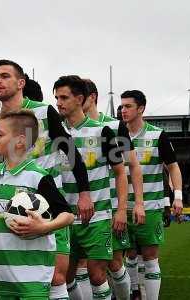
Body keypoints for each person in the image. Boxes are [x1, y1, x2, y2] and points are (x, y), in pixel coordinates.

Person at [0, 59, 91, 300]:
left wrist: (84, 192)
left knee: (57, 277)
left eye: (4, 76)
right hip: (11, 212)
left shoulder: (44, 111)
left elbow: (71, 152)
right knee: (17, 282)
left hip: (49, 208)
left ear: (21, 83)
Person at [0, 110, 75, 299]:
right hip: (4, 273)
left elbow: (67, 215)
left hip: (33, 272)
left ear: (20, 141)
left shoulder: (38, 176)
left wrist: (43, 226)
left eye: (0, 134)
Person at [54, 75, 128, 300]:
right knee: (65, 277)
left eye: (64, 97)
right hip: (65, 218)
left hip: (97, 216)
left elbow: (120, 172)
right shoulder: (56, 135)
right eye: (56, 98)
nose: (59, 103)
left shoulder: (102, 131)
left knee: (97, 275)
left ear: (80, 99)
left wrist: (122, 210)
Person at [82, 79, 145, 300]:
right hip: (81, 210)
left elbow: (133, 167)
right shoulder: (66, 130)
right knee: (83, 269)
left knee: (115, 262)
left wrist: (134, 204)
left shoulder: (113, 127)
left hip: (109, 208)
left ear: (92, 98)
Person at [121, 90, 183, 300]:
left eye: (128, 106)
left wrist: (178, 196)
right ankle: (134, 293)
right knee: (129, 255)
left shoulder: (157, 135)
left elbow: (173, 167)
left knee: (149, 256)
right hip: (122, 207)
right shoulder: (116, 136)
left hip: (151, 206)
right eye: (121, 106)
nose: (123, 110)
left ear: (141, 109)